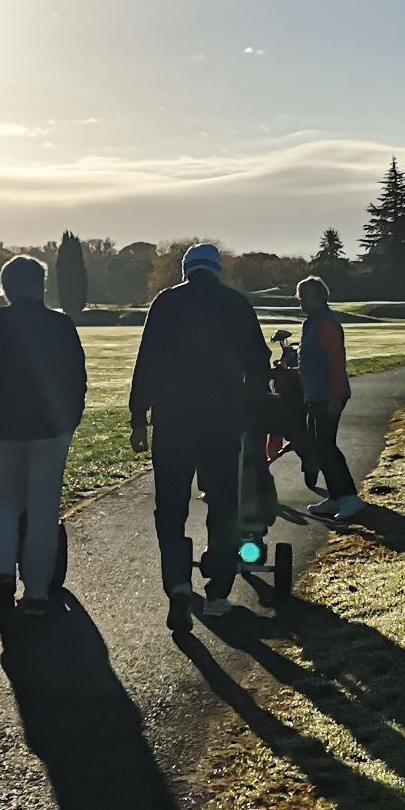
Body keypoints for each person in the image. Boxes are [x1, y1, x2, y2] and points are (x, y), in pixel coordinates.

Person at [128, 242, 269, 631]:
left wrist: (138, 417)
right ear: (217, 270)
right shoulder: (236, 304)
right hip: (222, 420)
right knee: (223, 504)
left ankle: (176, 585)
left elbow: (147, 362)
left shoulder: (165, 303)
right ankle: (219, 591)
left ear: (186, 269)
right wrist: (251, 411)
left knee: (170, 507)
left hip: (173, 421)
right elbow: (258, 365)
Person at [0, 254, 87, 616]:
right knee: (42, 507)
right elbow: (77, 377)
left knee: (5, 498)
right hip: (49, 427)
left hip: (3, 425)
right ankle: (37, 592)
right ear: (41, 286)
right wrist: (71, 417)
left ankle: (2, 563)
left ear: (6, 288)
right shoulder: (61, 324)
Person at [295, 275, 362, 520]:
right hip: (315, 393)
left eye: (305, 297)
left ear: (320, 297)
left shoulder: (327, 323)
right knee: (316, 444)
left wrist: (334, 395)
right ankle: (335, 497)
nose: (301, 302)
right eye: (299, 297)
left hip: (328, 394)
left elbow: (336, 362)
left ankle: (348, 497)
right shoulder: (312, 323)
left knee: (325, 445)